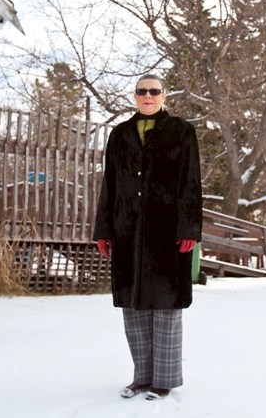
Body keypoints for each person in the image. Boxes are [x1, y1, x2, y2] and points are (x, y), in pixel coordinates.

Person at [94, 73, 203, 401]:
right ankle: (142, 376)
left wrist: (189, 229)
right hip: (127, 231)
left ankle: (164, 379)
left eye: (154, 91)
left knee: (166, 305)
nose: (147, 96)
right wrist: (104, 230)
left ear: (164, 95)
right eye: (142, 91)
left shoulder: (182, 132)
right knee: (134, 305)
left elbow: (191, 183)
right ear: (135, 95)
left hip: (167, 232)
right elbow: (109, 185)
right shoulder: (120, 134)